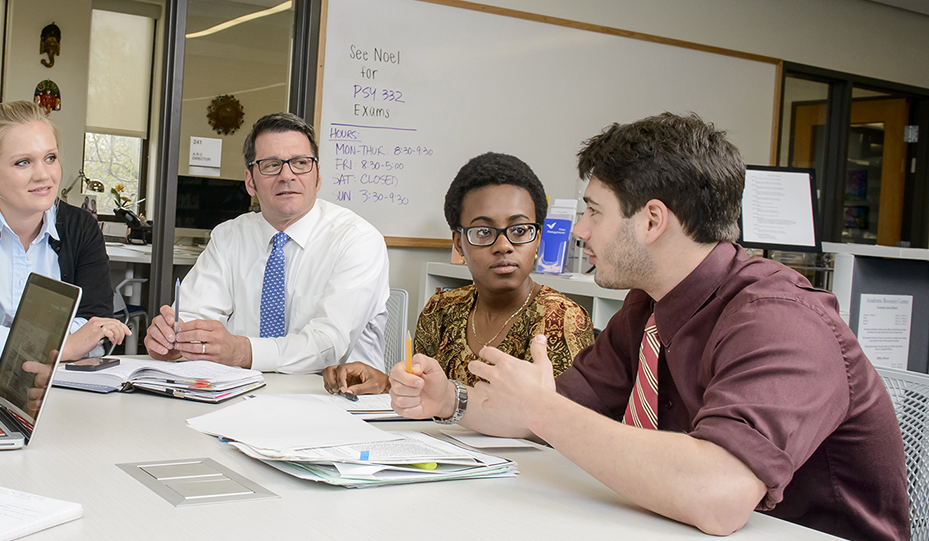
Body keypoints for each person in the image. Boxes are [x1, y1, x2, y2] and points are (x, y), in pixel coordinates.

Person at [389, 113, 909, 540]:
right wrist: (450, 401)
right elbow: (556, 413)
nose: (580, 230)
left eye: (593, 211)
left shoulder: (782, 320)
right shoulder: (647, 307)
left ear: (652, 221)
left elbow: (718, 495)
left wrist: (540, 409)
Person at [323, 152, 593, 395]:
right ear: (458, 243)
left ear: (538, 238)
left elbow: (559, 421)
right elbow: (424, 391)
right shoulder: (441, 309)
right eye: (483, 232)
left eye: (520, 230)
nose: (504, 246)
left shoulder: (562, 320)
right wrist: (386, 383)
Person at [143, 112, 390, 374]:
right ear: (250, 182)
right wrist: (175, 339)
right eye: (271, 165)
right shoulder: (229, 237)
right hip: (238, 393)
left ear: (317, 177)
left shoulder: (357, 239)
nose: (287, 175)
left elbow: (329, 346)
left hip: (334, 398)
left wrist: (241, 351)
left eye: (300, 163)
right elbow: (194, 318)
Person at [0, 100, 129, 364]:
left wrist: (67, 345)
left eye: (50, 158)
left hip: (58, 384)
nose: (43, 175)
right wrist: (60, 349)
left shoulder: (81, 227)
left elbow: (96, 323)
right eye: (23, 162)